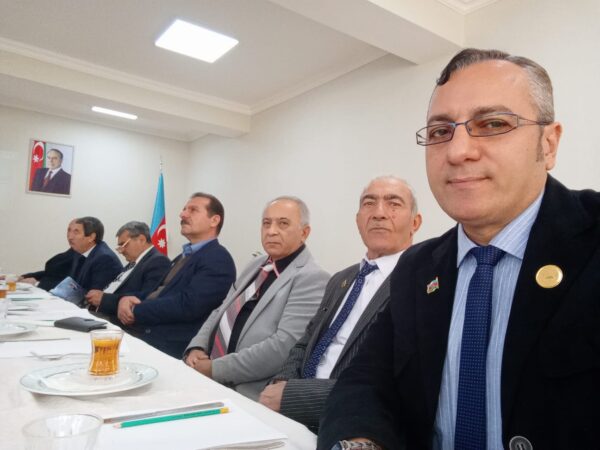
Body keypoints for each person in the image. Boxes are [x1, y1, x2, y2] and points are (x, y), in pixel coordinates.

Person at [318, 48, 600, 450]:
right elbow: (365, 381)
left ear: (549, 143)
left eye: (493, 123)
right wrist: (362, 442)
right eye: (439, 132)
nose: (457, 151)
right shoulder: (417, 268)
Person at [258, 177, 422, 432]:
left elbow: (395, 383)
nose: (379, 213)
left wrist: (293, 396)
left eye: (394, 203)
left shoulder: (419, 283)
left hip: (352, 426)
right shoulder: (341, 279)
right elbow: (304, 343)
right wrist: (282, 383)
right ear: (358, 220)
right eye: (369, 203)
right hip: (288, 417)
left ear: (415, 223)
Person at [184, 196, 329, 400]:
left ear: (304, 233)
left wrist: (215, 369)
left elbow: (283, 346)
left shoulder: (312, 277)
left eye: (283, 224)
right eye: (266, 223)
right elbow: (221, 310)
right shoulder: (256, 264)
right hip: (208, 377)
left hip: (247, 393)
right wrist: (197, 347)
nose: (271, 231)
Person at [117, 193, 236, 358]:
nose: (182, 214)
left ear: (214, 220)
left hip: (172, 347)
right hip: (148, 334)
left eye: (193, 210)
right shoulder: (184, 255)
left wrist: (135, 309)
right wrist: (127, 299)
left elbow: (188, 306)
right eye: (184, 209)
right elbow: (159, 292)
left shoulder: (218, 259)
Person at [85, 221, 170, 323]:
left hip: (119, 320)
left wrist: (104, 299)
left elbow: (147, 296)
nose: (121, 251)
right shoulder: (133, 262)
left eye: (124, 245)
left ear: (141, 239)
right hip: (100, 313)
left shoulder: (158, 261)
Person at [67, 217, 122, 294]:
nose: (70, 237)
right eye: (69, 231)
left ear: (91, 237)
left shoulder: (104, 259)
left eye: (76, 232)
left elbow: (94, 296)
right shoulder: (78, 252)